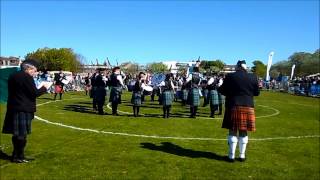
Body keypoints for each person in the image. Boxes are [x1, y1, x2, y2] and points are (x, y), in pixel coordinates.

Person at [2, 59, 51, 163]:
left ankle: (17, 155)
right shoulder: (26, 77)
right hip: (23, 108)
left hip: (14, 107)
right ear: (28, 68)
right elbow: (34, 93)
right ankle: (18, 157)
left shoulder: (13, 75)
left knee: (17, 134)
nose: (35, 72)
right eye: (34, 70)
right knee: (21, 135)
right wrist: (44, 87)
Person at [218, 60, 260, 162]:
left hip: (233, 105)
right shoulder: (253, 77)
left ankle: (231, 156)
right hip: (248, 106)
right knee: (243, 131)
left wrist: (226, 90)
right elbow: (257, 93)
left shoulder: (230, 76)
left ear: (237, 66)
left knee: (232, 130)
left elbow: (222, 90)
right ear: (246, 67)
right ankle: (242, 156)